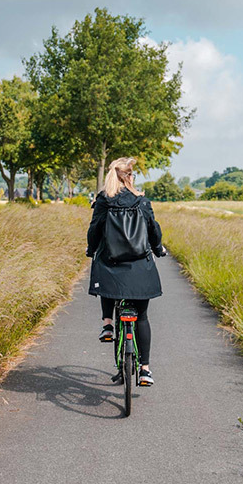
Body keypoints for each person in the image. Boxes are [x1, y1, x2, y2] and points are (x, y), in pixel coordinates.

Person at [86, 157, 166, 386]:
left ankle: (108, 324)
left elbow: (95, 230)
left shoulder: (104, 200)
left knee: (102, 268)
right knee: (141, 316)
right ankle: (145, 370)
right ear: (130, 176)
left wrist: (92, 249)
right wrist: (158, 249)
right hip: (140, 268)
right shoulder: (142, 201)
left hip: (111, 266)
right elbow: (154, 230)